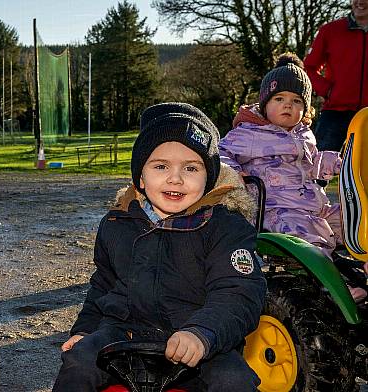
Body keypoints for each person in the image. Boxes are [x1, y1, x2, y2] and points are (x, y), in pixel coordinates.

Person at [53, 103, 266, 392]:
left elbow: (238, 293)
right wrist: (85, 330)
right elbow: (103, 285)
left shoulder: (226, 228)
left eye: (191, 168)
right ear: (141, 177)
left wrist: (202, 334)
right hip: (124, 332)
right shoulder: (118, 222)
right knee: (78, 362)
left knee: (234, 381)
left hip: (200, 340)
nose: (175, 178)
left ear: (209, 179)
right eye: (161, 166)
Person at [219, 53, 367, 301]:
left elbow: (313, 164)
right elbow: (220, 153)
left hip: (316, 208)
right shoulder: (249, 133)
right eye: (279, 98)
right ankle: (330, 289)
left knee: (357, 220)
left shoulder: (304, 135)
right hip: (277, 211)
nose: (288, 105)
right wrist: (235, 173)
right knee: (308, 240)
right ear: (265, 104)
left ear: (306, 109)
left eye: (296, 100)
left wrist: (337, 163)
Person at [304, 0, 368, 151]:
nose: (360, 2)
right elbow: (309, 67)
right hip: (335, 113)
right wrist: (327, 90)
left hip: (367, 113)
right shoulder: (330, 30)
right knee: (320, 168)